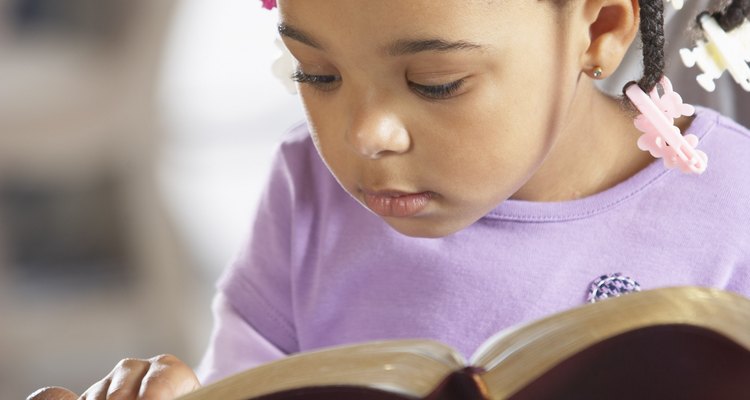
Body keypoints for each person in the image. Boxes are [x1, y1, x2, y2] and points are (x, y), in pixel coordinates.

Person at [29, 0, 750, 399]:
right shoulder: (305, 191)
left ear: (598, 28)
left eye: (435, 82)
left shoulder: (733, 207)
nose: (365, 134)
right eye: (316, 74)